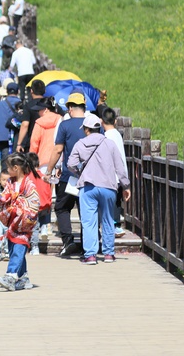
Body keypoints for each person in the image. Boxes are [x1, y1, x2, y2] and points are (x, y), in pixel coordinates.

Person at [68, 113, 131, 265]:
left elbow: (70, 164)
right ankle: (108, 254)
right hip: (108, 187)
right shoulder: (110, 144)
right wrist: (126, 186)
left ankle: (90, 255)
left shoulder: (80, 144)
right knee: (108, 220)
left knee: (89, 222)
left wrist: (79, 172)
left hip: (88, 187)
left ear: (86, 129)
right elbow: (120, 167)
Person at [0, 152, 41, 291]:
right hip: (12, 223)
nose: (7, 170)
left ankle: (10, 276)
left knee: (18, 249)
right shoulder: (10, 182)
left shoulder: (29, 184)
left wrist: (21, 205)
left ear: (16, 168)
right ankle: (23, 278)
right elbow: (6, 194)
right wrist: (4, 199)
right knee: (14, 249)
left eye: (8, 167)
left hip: (25, 224)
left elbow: (34, 202)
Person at [49, 93, 89, 256]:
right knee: (86, 210)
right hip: (90, 176)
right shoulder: (93, 125)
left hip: (69, 176)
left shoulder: (65, 125)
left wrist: (49, 170)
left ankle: (68, 241)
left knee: (62, 208)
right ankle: (88, 243)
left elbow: (58, 149)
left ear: (70, 108)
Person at [28, 99, 61, 254]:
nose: (38, 112)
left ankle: (42, 226)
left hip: (42, 162)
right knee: (53, 195)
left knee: (40, 194)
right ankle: (47, 225)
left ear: (46, 109)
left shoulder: (39, 123)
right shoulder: (60, 120)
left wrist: (32, 160)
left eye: (40, 110)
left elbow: (34, 142)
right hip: (58, 159)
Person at [101, 107, 128, 238]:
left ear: (102, 121)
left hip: (109, 176)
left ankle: (111, 225)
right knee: (117, 202)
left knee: (108, 202)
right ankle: (116, 225)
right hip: (119, 175)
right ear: (115, 121)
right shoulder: (118, 135)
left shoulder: (105, 137)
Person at [16, 79, 47, 152]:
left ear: (31, 91)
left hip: (33, 141)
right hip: (48, 141)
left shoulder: (28, 106)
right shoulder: (50, 104)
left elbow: (25, 125)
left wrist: (19, 144)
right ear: (44, 91)